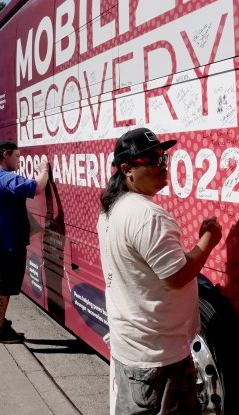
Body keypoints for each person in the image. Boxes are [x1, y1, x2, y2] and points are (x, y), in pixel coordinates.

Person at [97, 127, 223, 414]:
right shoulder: (147, 216)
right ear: (127, 169)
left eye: (163, 158)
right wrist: (208, 240)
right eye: (152, 161)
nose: (162, 167)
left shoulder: (112, 209)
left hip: (133, 349)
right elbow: (177, 277)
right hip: (158, 361)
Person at [0, 140, 48, 343]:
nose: (19, 161)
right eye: (17, 156)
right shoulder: (4, 178)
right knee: (3, 289)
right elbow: (38, 188)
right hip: (7, 243)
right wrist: (44, 170)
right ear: (5, 154)